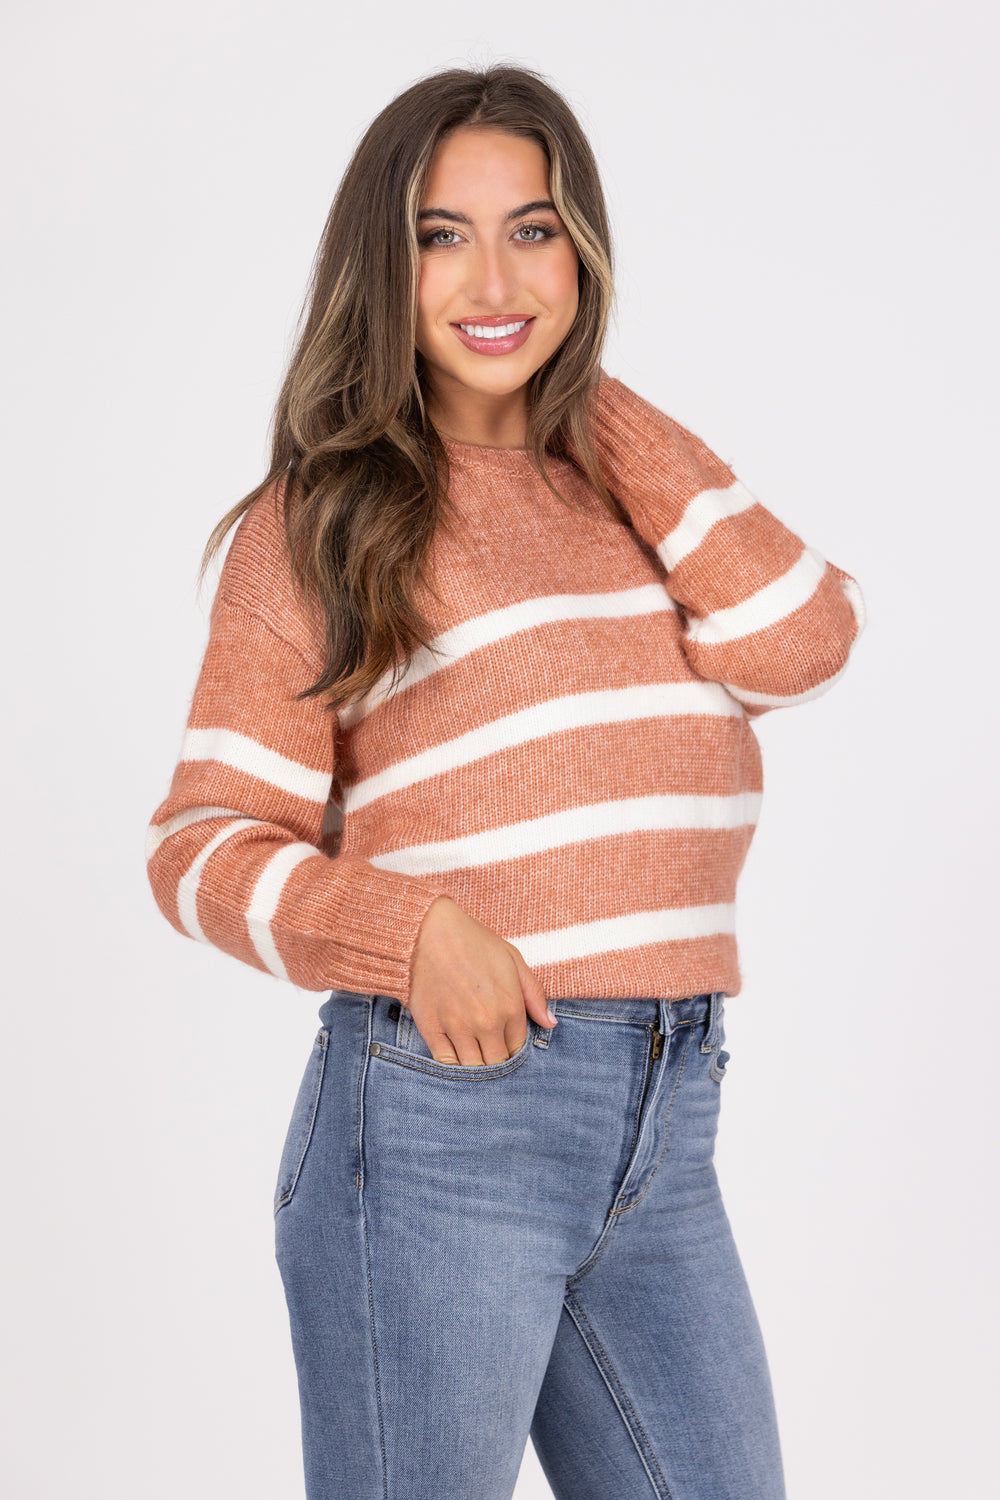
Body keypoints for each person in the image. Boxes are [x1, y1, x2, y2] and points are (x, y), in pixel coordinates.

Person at [146, 63, 865, 1500]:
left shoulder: (627, 490)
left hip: (668, 1123)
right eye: (441, 236)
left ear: (583, 251)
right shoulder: (327, 518)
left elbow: (802, 641)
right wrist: (409, 933)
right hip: (441, 1132)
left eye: (534, 232)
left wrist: (587, 402)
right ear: (384, 261)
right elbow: (201, 843)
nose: (493, 280)